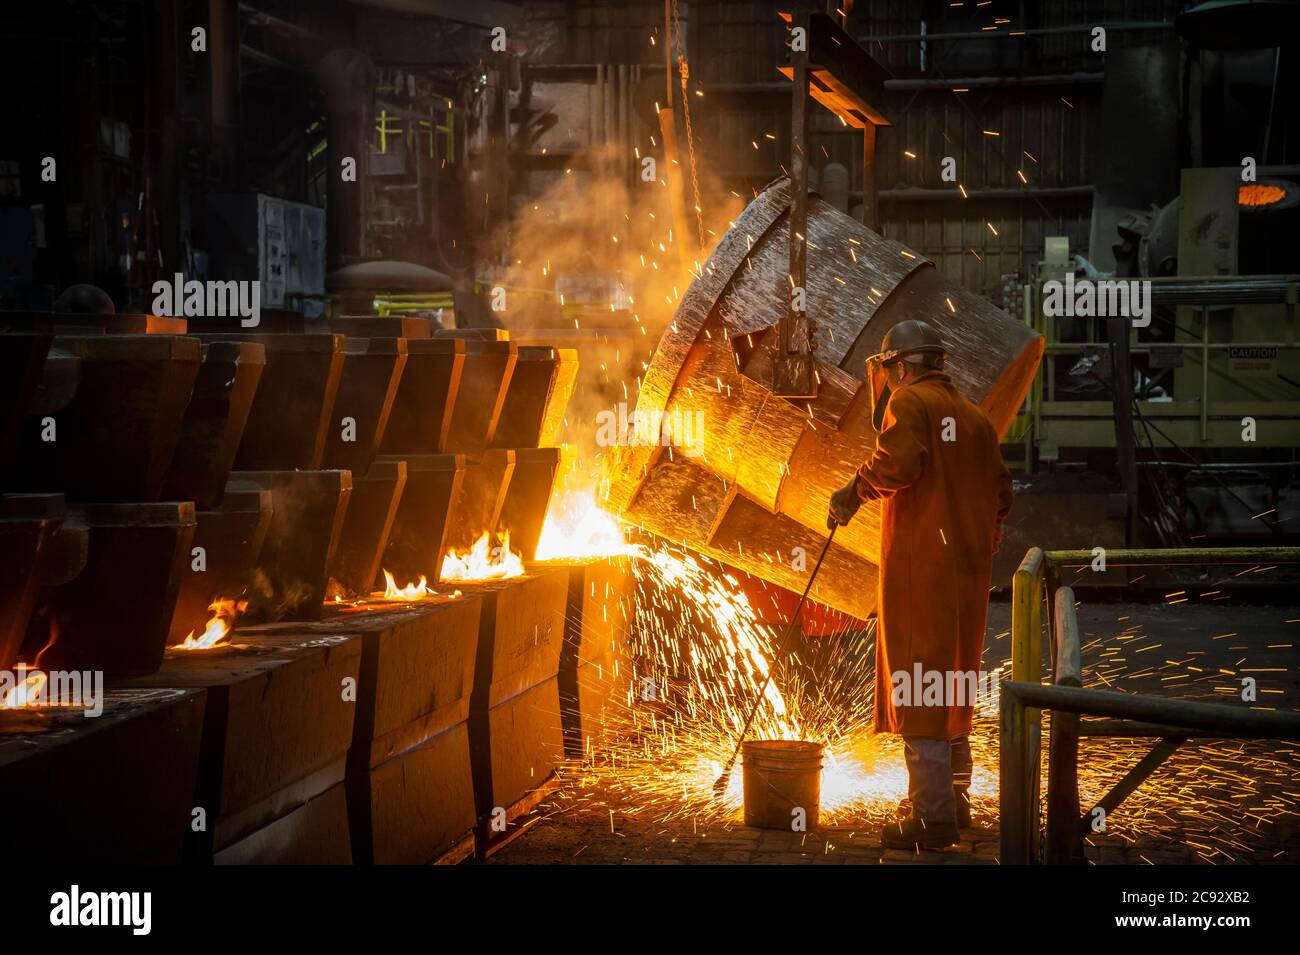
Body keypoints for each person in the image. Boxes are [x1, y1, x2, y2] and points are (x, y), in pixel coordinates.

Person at [827, 319, 1013, 850]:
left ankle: (932, 821)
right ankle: (956, 800)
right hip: (968, 577)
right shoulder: (975, 417)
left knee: (919, 684)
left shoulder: (909, 403)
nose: (887, 380)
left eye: (889, 370)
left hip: (921, 574)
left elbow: (897, 464)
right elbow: (1003, 492)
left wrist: (851, 490)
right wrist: (983, 532)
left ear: (901, 367)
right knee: (953, 683)